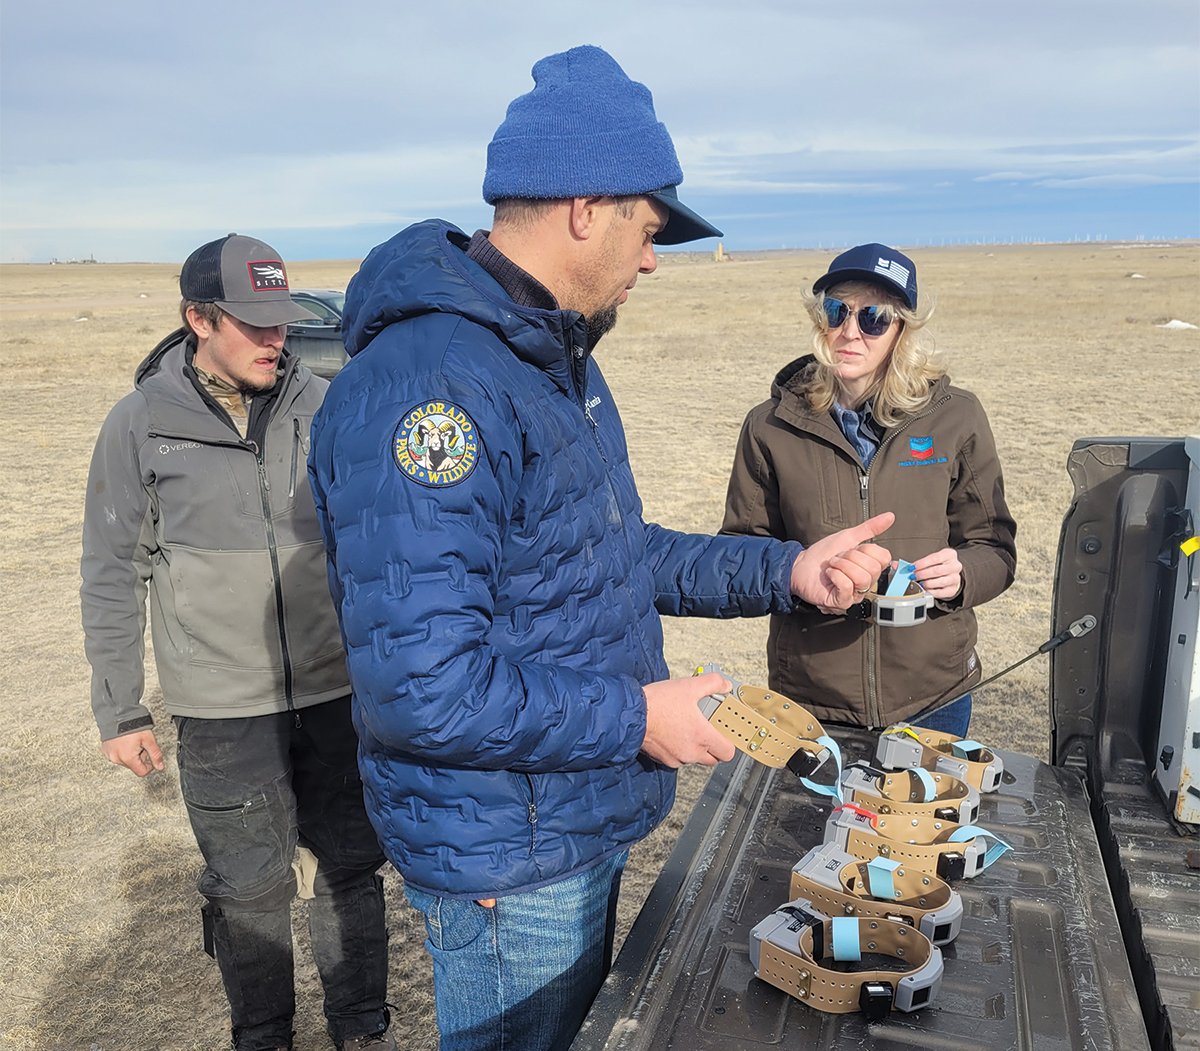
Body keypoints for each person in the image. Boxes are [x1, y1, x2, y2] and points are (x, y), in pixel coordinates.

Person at [307, 45, 893, 1051]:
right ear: (586, 205)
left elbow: (618, 557)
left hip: (571, 817)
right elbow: (421, 683)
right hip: (510, 858)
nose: (655, 255)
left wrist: (786, 569)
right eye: (649, 226)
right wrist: (637, 715)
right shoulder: (433, 385)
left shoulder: (552, 358)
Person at [80, 234, 395, 1051]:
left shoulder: (325, 406)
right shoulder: (142, 423)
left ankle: (362, 1031)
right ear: (197, 318)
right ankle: (264, 1036)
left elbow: (373, 541)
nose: (274, 338)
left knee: (351, 870)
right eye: (252, 323)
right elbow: (113, 569)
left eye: (282, 322)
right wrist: (121, 710)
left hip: (334, 693)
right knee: (249, 889)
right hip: (220, 709)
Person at [722, 242, 1017, 736]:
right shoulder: (769, 426)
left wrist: (963, 574)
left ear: (901, 329)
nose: (850, 331)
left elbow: (995, 547)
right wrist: (801, 575)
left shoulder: (955, 417)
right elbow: (740, 552)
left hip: (934, 693)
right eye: (837, 311)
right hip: (813, 698)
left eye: (874, 317)